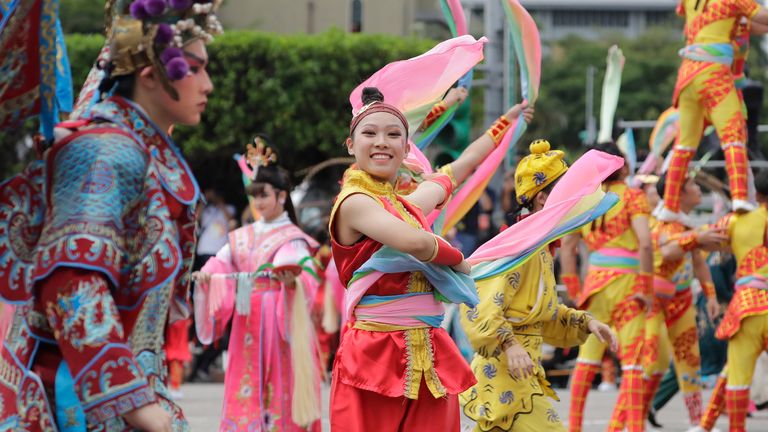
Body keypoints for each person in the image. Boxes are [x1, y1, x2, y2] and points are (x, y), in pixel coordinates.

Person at [0, 1, 221, 430]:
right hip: (71, 400)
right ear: (151, 74)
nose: (208, 84)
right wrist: (139, 408)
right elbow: (71, 284)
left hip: (116, 396)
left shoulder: (142, 151)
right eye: (196, 68)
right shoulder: (105, 150)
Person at [329, 87, 478, 431]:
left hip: (429, 347)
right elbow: (415, 242)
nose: (382, 142)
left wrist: (506, 124)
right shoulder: (355, 201)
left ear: (407, 148)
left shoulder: (403, 206)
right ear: (351, 146)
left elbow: (458, 169)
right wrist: (459, 261)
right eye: (370, 133)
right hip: (373, 351)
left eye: (393, 135)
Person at [461, 140, 617, 432]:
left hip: (522, 375)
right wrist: (509, 344)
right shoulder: (520, 248)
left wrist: (586, 322)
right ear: (543, 199)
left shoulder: (540, 248)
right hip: (505, 375)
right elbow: (480, 305)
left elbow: (539, 315)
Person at [193, 140, 322, 431]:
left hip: (279, 321)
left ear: (281, 195)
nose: (259, 202)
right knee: (245, 381)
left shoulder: (292, 237)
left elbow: (301, 269)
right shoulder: (242, 235)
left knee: (279, 384)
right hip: (246, 318)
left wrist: (291, 281)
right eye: (255, 196)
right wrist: (207, 275)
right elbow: (221, 261)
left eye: (264, 195)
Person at [561, 142, 654, 432]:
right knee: (633, 364)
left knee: (587, 360)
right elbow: (646, 243)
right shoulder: (634, 197)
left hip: (594, 288)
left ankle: (574, 427)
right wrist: (646, 285)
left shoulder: (585, 199)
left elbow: (567, 246)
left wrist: (574, 289)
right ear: (622, 164)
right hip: (628, 288)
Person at [661, 0, 768, 219]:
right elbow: (763, 18)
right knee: (734, 137)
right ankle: (740, 197)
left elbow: (683, 10)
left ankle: (669, 206)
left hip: (688, 76)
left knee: (684, 144)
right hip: (715, 75)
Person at [641, 174, 724, 427]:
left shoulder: (686, 226)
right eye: (692, 185)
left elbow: (698, 262)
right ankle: (634, 413)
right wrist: (698, 237)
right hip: (655, 303)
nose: (698, 188)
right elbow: (668, 251)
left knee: (690, 361)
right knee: (653, 361)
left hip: (683, 299)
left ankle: (697, 421)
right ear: (678, 193)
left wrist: (710, 296)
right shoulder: (658, 222)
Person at [693, 169, 768, 432]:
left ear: (757, 194)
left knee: (736, 378)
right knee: (730, 372)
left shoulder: (738, 221)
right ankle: (705, 424)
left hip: (749, 306)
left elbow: (703, 239)